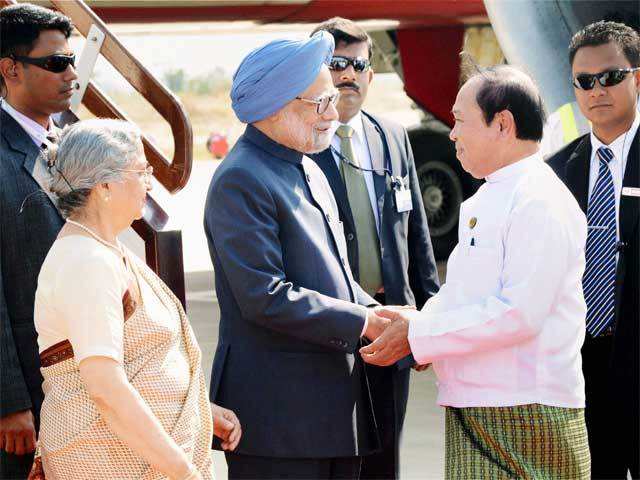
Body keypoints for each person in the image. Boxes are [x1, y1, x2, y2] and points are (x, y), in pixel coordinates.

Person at [360, 65, 591, 479]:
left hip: (526, 413)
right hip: (480, 407)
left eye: (460, 120)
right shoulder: (490, 196)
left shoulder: (539, 200)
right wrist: (418, 322)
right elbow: (465, 295)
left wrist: (419, 335)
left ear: (502, 124)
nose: (452, 134)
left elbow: (518, 314)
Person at [203, 31, 394, 479]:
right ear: (275, 106)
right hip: (279, 420)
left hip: (331, 414)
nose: (332, 114)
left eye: (332, 100)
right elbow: (264, 295)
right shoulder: (242, 178)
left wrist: (384, 315)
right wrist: (362, 322)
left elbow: (335, 276)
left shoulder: (305, 163)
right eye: (320, 103)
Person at [32, 119, 241, 479]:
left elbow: (138, 357)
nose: (149, 181)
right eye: (141, 170)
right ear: (105, 185)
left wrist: (198, 409)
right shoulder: (86, 260)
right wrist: (181, 471)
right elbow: (106, 388)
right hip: (107, 462)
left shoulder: (100, 247)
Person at [310, 17, 439, 480]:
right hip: (334, 327)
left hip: (392, 320)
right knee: (342, 457)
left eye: (358, 65)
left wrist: (429, 320)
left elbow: (417, 236)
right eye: (336, 63)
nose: (348, 74)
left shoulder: (392, 136)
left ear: (370, 74)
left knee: (387, 454)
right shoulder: (301, 144)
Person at [547, 21, 640, 479]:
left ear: (637, 78)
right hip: (582, 375)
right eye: (585, 81)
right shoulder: (557, 172)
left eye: (610, 77)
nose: (596, 90)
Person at [0, 4, 76, 478]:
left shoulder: (74, 142)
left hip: (79, 385)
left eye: (70, 60)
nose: (70, 73)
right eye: (54, 63)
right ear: (10, 69)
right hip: (25, 397)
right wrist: (7, 399)